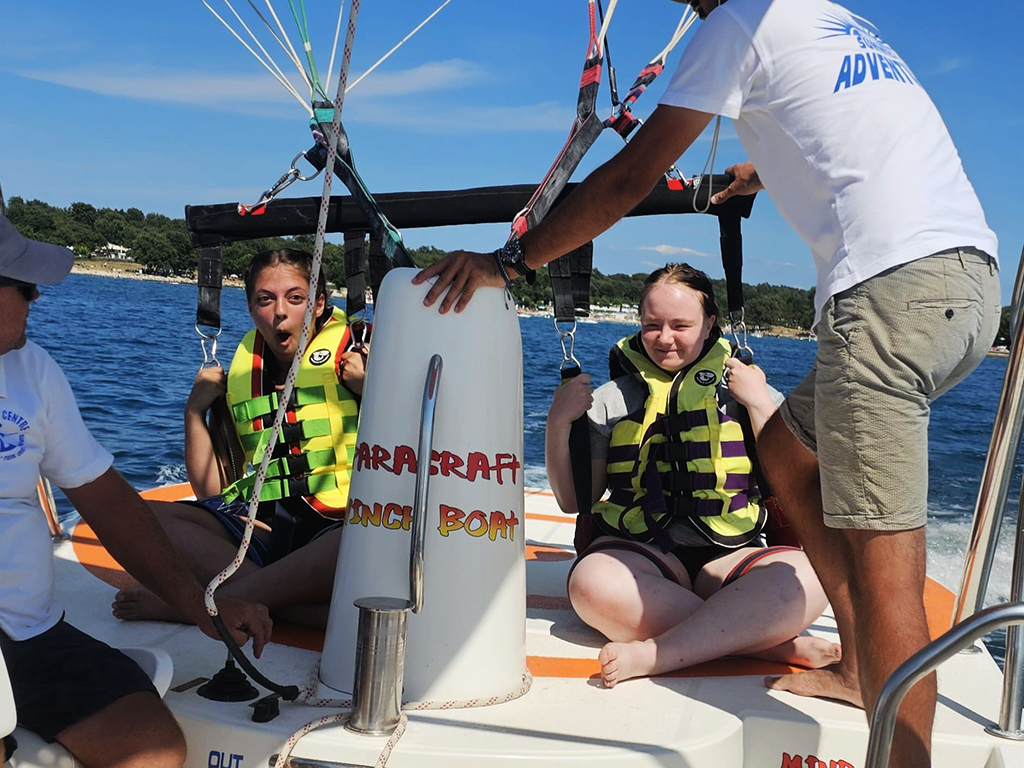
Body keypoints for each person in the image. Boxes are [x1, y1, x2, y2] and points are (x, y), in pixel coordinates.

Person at [414, 0, 1001, 764]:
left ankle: (896, 732)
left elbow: (626, 179)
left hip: (886, 300)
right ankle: (858, 665)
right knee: (788, 452)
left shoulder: (734, 26)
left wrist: (508, 262)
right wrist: (758, 172)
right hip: (968, 288)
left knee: (888, 572)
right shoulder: (832, 18)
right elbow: (851, 130)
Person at [0, 213, 272, 768]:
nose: (35, 299)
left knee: (154, 750)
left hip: (31, 635)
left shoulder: (33, 370)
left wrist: (198, 603)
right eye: (24, 286)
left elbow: (106, 499)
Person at [547, 263, 838, 687]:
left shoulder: (748, 390)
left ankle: (657, 653)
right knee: (589, 584)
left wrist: (758, 405)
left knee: (812, 577)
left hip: (731, 554)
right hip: (642, 555)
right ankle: (769, 643)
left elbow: (795, 485)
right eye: (652, 325)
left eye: (680, 325)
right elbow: (576, 501)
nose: (664, 338)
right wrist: (558, 424)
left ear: (710, 325)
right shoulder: (609, 401)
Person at [114, 248, 367, 631]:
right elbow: (214, 492)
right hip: (269, 533)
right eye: (266, 299)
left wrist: (374, 389)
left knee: (359, 543)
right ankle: (263, 600)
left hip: (341, 530)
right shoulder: (244, 373)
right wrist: (194, 411)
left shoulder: (365, 353)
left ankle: (197, 606)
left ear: (318, 304)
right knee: (143, 517)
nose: (280, 311)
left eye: (295, 298)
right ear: (251, 308)